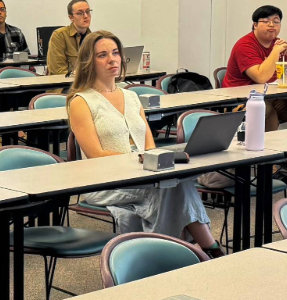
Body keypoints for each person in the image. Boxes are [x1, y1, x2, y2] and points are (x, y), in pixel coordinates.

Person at [66, 31, 223, 256]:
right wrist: (139, 161)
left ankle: (179, 252)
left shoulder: (131, 97)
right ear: (89, 62)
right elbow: (95, 156)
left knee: (178, 181)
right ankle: (202, 249)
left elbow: (149, 147)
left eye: (115, 53)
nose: (112, 59)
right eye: (102, 55)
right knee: (170, 188)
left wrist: (155, 159)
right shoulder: (81, 101)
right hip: (107, 181)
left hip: (144, 173)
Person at [223, 5, 287, 179]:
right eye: (266, 21)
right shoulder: (245, 45)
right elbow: (261, 77)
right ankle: (268, 165)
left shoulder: (277, 44)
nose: (272, 25)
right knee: (266, 111)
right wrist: (275, 52)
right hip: (240, 101)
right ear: (255, 25)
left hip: (270, 96)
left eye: (276, 21)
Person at [46, 0, 94, 75]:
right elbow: (58, 71)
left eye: (88, 11)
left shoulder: (93, 38)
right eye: (80, 13)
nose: (86, 16)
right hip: (65, 85)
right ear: (71, 17)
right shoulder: (59, 35)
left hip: (87, 84)